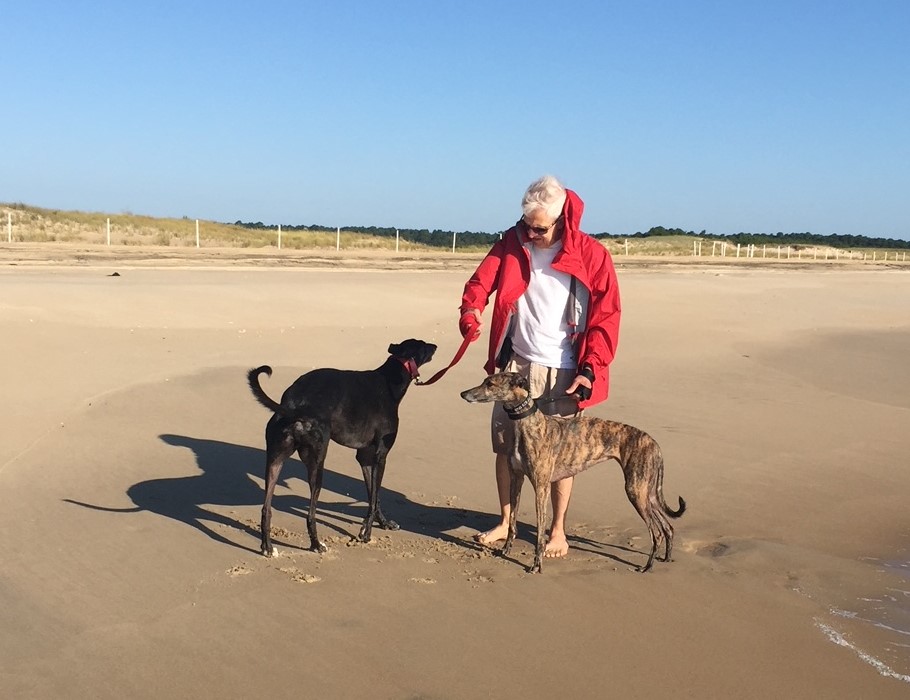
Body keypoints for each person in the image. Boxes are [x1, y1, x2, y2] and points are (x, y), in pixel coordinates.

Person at [459, 175, 621, 558]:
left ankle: (558, 531)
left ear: (562, 218)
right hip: (516, 365)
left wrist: (590, 368)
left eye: (540, 228)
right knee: (506, 448)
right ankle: (505, 522)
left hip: (565, 369)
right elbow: (479, 284)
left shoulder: (592, 255)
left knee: (560, 456)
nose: (531, 233)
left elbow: (606, 317)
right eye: (526, 225)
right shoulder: (512, 243)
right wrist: (470, 311)